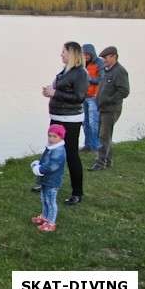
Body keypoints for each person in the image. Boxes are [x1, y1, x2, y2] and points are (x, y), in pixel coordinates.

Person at [41, 41, 88, 204]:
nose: (61, 54)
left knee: (71, 155)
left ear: (72, 54)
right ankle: (46, 183)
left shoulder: (81, 73)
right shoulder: (65, 71)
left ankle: (77, 192)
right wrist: (50, 92)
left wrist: (56, 93)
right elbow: (61, 90)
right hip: (57, 117)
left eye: (63, 52)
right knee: (51, 152)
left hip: (70, 120)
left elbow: (79, 97)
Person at [91, 46, 130, 171]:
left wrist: (108, 100)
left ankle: (100, 163)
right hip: (102, 108)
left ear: (114, 56)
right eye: (103, 58)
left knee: (104, 135)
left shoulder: (120, 71)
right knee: (102, 135)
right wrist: (98, 99)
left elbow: (124, 91)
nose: (104, 60)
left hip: (112, 109)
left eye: (106, 57)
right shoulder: (105, 70)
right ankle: (108, 161)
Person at [30, 124, 67, 232]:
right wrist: (39, 163)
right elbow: (45, 160)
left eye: (54, 136)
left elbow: (52, 166)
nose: (51, 138)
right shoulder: (50, 148)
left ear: (61, 137)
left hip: (52, 181)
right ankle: (45, 216)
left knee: (50, 201)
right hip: (46, 180)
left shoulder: (59, 151)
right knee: (44, 199)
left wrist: (39, 169)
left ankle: (51, 222)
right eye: (49, 136)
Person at [81, 44, 104, 152]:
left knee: (94, 123)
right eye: (83, 54)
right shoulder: (82, 64)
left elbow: (101, 79)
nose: (85, 57)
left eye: (86, 54)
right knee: (85, 123)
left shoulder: (99, 63)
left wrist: (88, 78)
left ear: (91, 53)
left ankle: (96, 146)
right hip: (83, 97)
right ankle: (88, 145)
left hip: (93, 98)